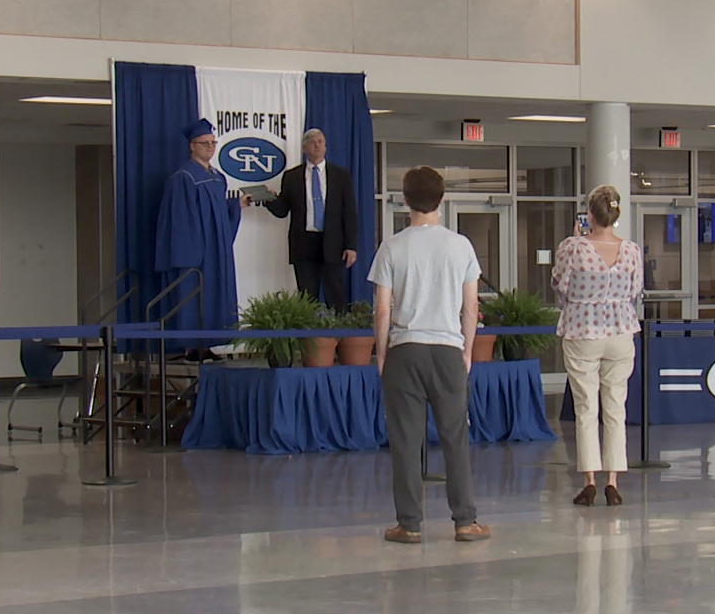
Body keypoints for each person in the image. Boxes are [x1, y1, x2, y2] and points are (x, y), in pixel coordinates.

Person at [369, 166, 490, 544]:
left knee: (405, 441)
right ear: (442, 199)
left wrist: (382, 353)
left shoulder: (392, 247)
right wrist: (467, 351)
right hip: (448, 351)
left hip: (405, 351)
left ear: (405, 200)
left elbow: (383, 310)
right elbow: (470, 307)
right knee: (455, 437)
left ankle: (409, 524)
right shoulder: (461, 246)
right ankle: (465, 521)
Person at [552, 185, 643, 507]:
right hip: (621, 331)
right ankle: (613, 481)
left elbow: (559, 285)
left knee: (586, 408)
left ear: (589, 214)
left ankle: (589, 479)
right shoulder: (631, 250)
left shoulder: (573, 247)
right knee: (616, 407)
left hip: (583, 330)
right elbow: (635, 290)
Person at [153, 119, 252, 345]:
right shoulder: (183, 178)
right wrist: (195, 253)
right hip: (196, 255)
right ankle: (191, 346)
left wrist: (236, 205)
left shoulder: (218, 177)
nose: (210, 146)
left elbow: (217, 214)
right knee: (194, 297)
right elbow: (180, 221)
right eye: (204, 142)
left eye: (213, 142)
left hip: (216, 253)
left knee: (215, 298)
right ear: (192, 146)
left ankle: (209, 344)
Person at [262, 128, 359, 308]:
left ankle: (339, 333)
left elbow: (350, 213)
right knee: (307, 297)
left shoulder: (340, 176)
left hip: (333, 242)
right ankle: (311, 335)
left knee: (336, 294)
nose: (317, 146)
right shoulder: (292, 177)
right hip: (304, 243)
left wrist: (351, 246)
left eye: (321, 142)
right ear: (304, 148)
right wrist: (268, 199)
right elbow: (282, 210)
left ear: (326, 146)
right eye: (313, 142)